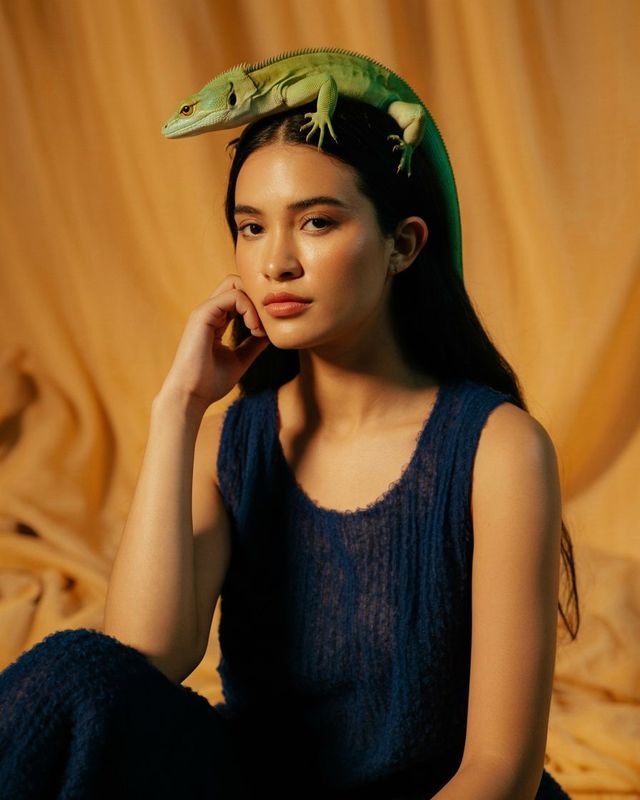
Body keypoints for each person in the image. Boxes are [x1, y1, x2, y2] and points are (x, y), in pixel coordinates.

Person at [0, 88, 579, 799]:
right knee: (71, 673)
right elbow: (139, 662)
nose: (276, 262)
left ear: (402, 245)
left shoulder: (498, 449)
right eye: (251, 228)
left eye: (317, 223)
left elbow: (501, 769)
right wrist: (178, 408)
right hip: (257, 786)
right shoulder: (229, 443)